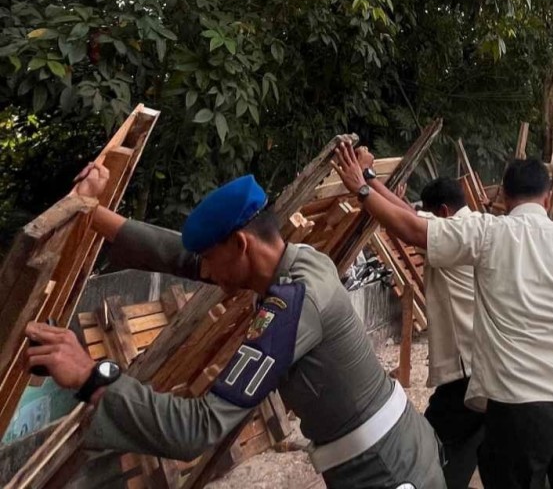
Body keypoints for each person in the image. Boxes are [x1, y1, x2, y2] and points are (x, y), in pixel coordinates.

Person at [26, 165, 445, 488]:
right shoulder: (296, 260)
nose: (205, 271)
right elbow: (185, 256)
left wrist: (92, 376)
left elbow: (199, 429)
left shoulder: (292, 307)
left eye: (210, 258)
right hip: (391, 451)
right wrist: (92, 214)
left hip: (385, 471)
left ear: (241, 244)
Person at [333, 148, 553, 489]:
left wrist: (362, 189)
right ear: (548, 198)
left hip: (518, 409)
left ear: (503, 197)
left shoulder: (487, 233)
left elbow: (414, 228)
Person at [356, 151, 482, 489]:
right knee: (468, 440)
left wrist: (363, 184)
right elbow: (411, 216)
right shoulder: (474, 224)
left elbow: (410, 225)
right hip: (483, 362)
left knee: (431, 444)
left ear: (442, 212)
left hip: (466, 369)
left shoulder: (452, 232)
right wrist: (373, 180)